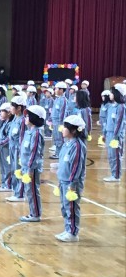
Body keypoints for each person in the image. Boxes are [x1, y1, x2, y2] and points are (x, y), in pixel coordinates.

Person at [55, 114, 87, 242]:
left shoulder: (77, 146)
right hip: (63, 180)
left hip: (71, 183)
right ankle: (68, 229)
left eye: (65, 127)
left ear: (73, 130)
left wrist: (72, 184)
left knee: (72, 207)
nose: (62, 129)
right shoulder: (66, 144)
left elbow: (75, 166)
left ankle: (73, 233)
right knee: (64, 207)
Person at [17, 105, 46, 222]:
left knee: (33, 190)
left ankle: (36, 214)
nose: (25, 118)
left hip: (32, 168)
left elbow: (34, 152)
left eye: (28, 116)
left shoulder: (37, 133)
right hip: (25, 166)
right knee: (28, 191)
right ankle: (32, 212)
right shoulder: (29, 132)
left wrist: (30, 169)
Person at [103, 84, 125, 182]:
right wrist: (104, 133)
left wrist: (115, 137)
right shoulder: (111, 106)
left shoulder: (121, 107)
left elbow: (119, 123)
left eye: (112, 93)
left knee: (116, 155)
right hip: (109, 133)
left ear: (117, 94)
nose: (110, 94)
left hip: (115, 135)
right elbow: (107, 121)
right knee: (111, 155)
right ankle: (113, 174)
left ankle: (116, 176)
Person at [50, 82, 68, 159]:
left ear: (61, 90)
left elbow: (62, 112)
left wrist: (61, 124)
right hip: (54, 122)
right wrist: (51, 120)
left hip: (59, 122)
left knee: (60, 138)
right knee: (56, 138)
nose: (55, 90)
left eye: (56, 89)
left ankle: (60, 153)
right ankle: (57, 152)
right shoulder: (57, 99)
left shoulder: (63, 100)